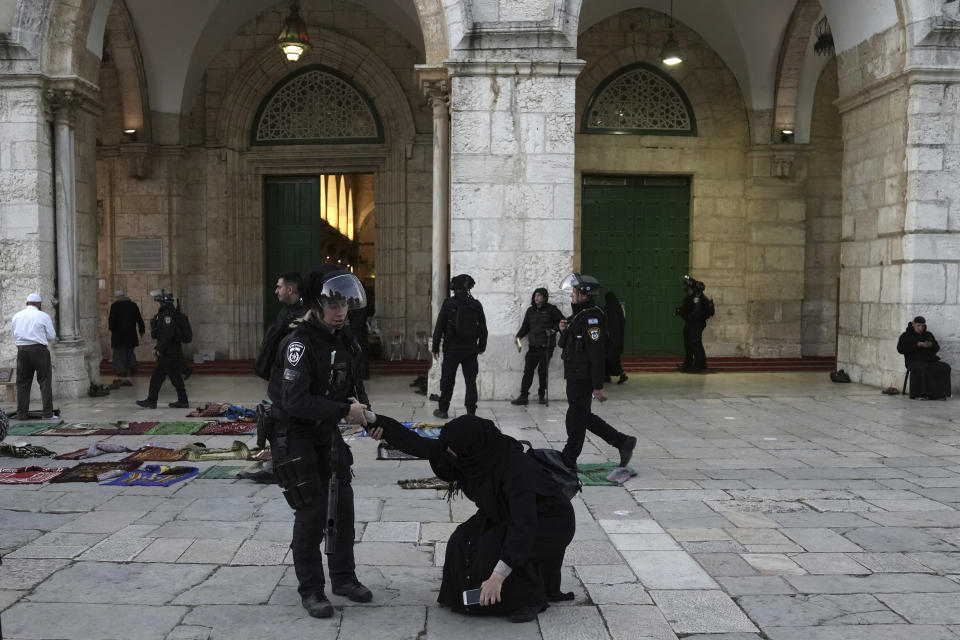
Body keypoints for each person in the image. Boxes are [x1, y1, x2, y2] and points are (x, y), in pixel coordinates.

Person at [367, 413, 576, 623]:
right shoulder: (473, 454)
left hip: (549, 523)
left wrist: (498, 575)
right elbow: (419, 445)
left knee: (494, 550)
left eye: (451, 449)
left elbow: (524, 525)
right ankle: (463, 596)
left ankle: (529, 599)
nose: (448, 452)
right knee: (461, 539)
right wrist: (372, 419)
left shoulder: (516, 467)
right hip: (502, 512)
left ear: (470, 446)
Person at [273, 264, 373, 618]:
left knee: (343, 508)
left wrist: (368, 416)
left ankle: (344, 578)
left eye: (345, 304)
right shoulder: (299, 343)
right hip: (295, 435)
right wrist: (344, 413)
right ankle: (312, 590)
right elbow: (294, 400)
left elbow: (355, 388)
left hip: (326, 433)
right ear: (316, 304)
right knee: (312, 511)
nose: (340, 310)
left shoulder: (347, 339)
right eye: (333, 305)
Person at [557, 273, 636, 469]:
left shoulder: (592, 318)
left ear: (584, 294)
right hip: (574, 375)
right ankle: (622, 441)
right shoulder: (578, 316)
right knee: (581, 416)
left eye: (574, 292)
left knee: (576, 419)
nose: (571, 296)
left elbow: (597, 354)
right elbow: (563, 345)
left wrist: (597, 386)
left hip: (582, 376)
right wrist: (563, 329)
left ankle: (568, 460)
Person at [432, 274, 487, 419]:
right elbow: (483, 329)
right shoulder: (476, 305)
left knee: (448, 380)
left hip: (452, 349)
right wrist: (481, 346)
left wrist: (435, 347)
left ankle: (443, 410)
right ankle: (471, 412)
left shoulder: (448, 303)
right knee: (471, 381)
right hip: (470, 349)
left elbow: (439, 327)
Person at [136, 290, 191, 409]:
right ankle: (183, 400)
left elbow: (168, 334)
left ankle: (151, 400)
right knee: (175, 376)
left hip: (167, 351)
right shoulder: (172, 313)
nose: (158, 305)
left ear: (163, 302)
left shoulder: (167, 315)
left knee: (157, 376)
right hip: (174, 350)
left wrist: (159, 349)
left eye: (158, 302)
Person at [511, 288, 563, 405]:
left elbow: (562, 321)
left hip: (546, 346)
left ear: (544, 297)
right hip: (533, 346)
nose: (536, 297)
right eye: (535, 295)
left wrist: (554, 330)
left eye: (539, 295)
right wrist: (518, 336)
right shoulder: (530, 311)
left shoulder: (551, 310)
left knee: (542, 371)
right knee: (528, 371)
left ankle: (541, 395)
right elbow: (525, 327)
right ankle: (524, 396)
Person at [11, 293, 56, 420]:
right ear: (39, 304)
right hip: (39, 350)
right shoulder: (43, 316)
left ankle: (22, 414)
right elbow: (52, 336)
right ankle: (47, 414)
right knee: (44, 381)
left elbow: (14, 334)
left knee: (22, 383)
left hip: (22, 351)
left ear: (27, 303)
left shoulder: (17, 316)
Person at [897, 316, 952, 400]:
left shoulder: (928, 334)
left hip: (930, 360)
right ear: (913, 324)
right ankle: (919, 394)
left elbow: (936, 348)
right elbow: (900, 349)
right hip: (913, 361)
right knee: (921, 368)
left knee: (944, 367)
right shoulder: (905, 336)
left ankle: (938, 394)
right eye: (918, 325)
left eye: (922, 326)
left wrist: (931, 345)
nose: (920, 328)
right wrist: (917, 345)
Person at [108, 290, 145, 389]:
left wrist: (112, 329)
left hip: (119, 337)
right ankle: (133, 364)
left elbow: (111, 321)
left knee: (119, 356)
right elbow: (139, 319)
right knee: (129, 352)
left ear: (117, 297)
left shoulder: (115, 306)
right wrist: (142, 330)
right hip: (131, 336)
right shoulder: (133, 305)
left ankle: (123, 378)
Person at [675, 275, 712, 373]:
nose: (685, 287)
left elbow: (696, 312)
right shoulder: (691, 296)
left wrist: (686, 315)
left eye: (686, 285)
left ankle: (699, 365)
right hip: (691, 323)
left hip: (696, 323)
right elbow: (686, 307)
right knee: (688, 343)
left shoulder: (697, 296)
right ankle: (688, 364)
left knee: (695, 343)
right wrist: (680, 311)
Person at [603, 291, 628, 385]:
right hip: (617, 339)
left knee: (609, 358)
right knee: (611, 357)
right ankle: (606, 376)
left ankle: (621, 374)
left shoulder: (607, 309)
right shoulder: (619, 310)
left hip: (609, 339)